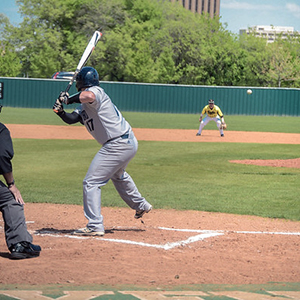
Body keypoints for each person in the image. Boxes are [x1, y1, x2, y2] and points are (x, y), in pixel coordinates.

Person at [53, 66, 152, 236]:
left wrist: (68, 99)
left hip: (117, 143)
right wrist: (61, 112)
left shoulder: (95, 92)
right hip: (125, 142)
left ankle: (94, 225)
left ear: (80, 83)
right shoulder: (84, 106)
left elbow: (88, 95)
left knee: (91, 182)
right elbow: (72, 119)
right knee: (118, 175)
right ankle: (141, 205)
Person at [0, 105, 41, 259]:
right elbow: (2, 156)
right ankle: (20, 244)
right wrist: (11, 184)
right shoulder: (0, 129)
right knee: (11, 200)